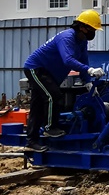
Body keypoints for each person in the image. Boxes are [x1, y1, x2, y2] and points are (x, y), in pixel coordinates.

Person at [22, 10, 104, 150]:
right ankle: (50, 128)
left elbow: (83, 60)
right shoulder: (67, 37)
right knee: (53, 96)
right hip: (36, 68)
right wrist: (89, 70)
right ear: (82, 27)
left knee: (38, 105)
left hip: (50, 74)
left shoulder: (81, 41)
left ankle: (31, 142)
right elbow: (68, 60)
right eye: (92, 29)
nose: (93, 33)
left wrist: (88, 82)